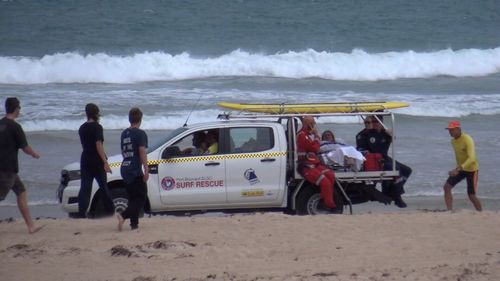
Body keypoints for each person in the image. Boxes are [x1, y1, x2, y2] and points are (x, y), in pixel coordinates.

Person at [0, 97, 43, 234]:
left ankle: (31, 226)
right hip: (8, 169)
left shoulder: (0, 124)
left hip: (8, 170)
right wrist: (34, 154)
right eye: (19, 108)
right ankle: (31, 226)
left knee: (21, 192)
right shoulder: (15, 127)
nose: (20, 110)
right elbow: (25, 147)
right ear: (16, 109)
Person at [356, 115, 412, 208]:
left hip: (384, 158)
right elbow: (364, 151)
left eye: (375, 122)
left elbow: (391, 140)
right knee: (394, 169)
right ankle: (396, 196)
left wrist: (391, 135)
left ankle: (393, 192)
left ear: (381, 123)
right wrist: (369, 131)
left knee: (407, 170)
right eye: (368, 122)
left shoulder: (384, 133)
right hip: (373, 161)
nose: (372, 124)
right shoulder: (363, 135)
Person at [78, 103, 114, 218]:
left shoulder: (82, 128)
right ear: (96, 113)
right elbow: (98, 144)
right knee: (103, 187)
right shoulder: (97, 127)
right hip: (97, 160)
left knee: (85, 188)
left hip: (85, 159)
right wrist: (105, 162)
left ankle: (81, 213)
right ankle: (110, 211)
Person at [117, 107, 149, 230]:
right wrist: (146, 169)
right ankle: (123, 215)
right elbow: (142, 151)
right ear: (140, 119)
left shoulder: (124, 133)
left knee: (133, 198)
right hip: (134, 169)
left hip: (125, 167)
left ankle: (134, 225)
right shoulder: (140, 133)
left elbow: (123, 151)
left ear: (130, 119)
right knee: (141, 197)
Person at [297, 116, 336, 210]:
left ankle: (324, 197)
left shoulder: (309, 135)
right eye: (313, 124)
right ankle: (329, 204)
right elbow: (315, 148)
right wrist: (317, 136)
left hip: (315, 164)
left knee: (330, 175)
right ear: (308, 124)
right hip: (306, 166)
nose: (314, 125)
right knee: (325, 182)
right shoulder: (302, 135)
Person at [443, 121, 482, 211]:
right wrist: (456, 169)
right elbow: (460, 157)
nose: (450, 132)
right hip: (461, 169)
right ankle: (449, 211)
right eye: (449, 130)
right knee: (447, 187)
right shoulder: (453, 141)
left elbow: (472, 158)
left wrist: (458, 169)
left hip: (472, 170)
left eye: (452, 130)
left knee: (471, 195)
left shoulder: (467, 139)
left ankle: (480, 213)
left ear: (458, 129)